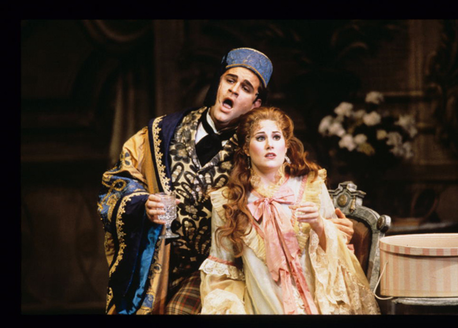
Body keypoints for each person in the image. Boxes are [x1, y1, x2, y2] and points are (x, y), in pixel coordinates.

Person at [98, 48, 354, 315]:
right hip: (156, 260)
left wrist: (335, 226)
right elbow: (118, 179)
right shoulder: (162, 131)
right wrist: (142, 203)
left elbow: (291, 193)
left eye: (245, 87)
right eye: (230, 80)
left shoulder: (258, 147)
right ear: (218, 84)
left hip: (219, 268)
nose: (233, 90)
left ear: (256, 103)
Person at [199, 107, 379, 314]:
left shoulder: (311, 184)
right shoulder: (228, 201)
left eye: (276, 137)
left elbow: (339, 253)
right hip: (263, 305)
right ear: (246, 149)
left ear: (285, 146)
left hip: (317, 302)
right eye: (260, 138)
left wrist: (320, 225)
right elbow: (222, 270)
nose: (269, 145)